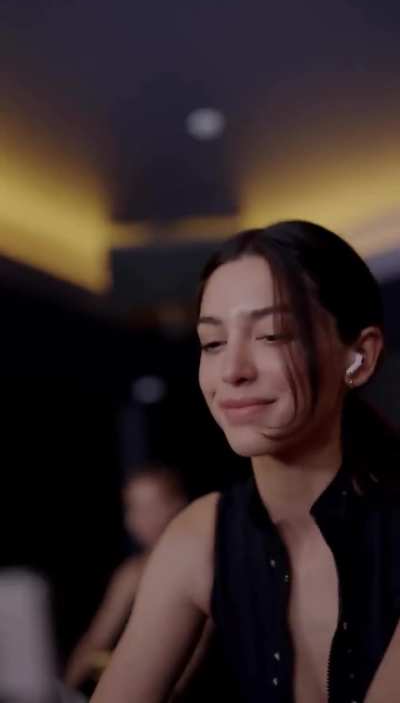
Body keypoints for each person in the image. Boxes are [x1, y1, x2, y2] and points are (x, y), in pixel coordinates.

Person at [90, 220, 400, 703]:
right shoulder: (201, 537)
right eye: (212, 343)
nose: (232, 371)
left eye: (272, 335)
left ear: (358, 356)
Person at [64, 464, 188, 691]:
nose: (144, 518)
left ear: (179, 504)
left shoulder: (196, 567)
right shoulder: (130, 574)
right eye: (135, 508)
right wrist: (64, 692)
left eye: (154, 505)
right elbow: (95, 641)